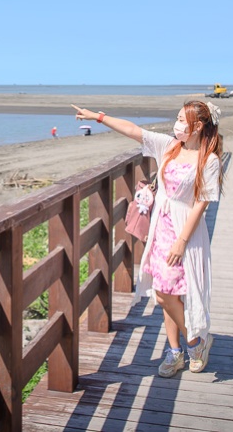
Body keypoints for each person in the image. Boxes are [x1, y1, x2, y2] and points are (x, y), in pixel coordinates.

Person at [72, 101, 223, 377]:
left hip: (184, 230)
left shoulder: (209, 160)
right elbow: (133, 130)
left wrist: (182, 241)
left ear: (197, 126)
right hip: (160, 227)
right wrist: (99, 117)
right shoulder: (168, 146)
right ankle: (182, 349)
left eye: (181, 119)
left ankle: (193, 343)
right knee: (165, 291)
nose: (176, 124)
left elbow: (201, 203)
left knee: (168, 293)